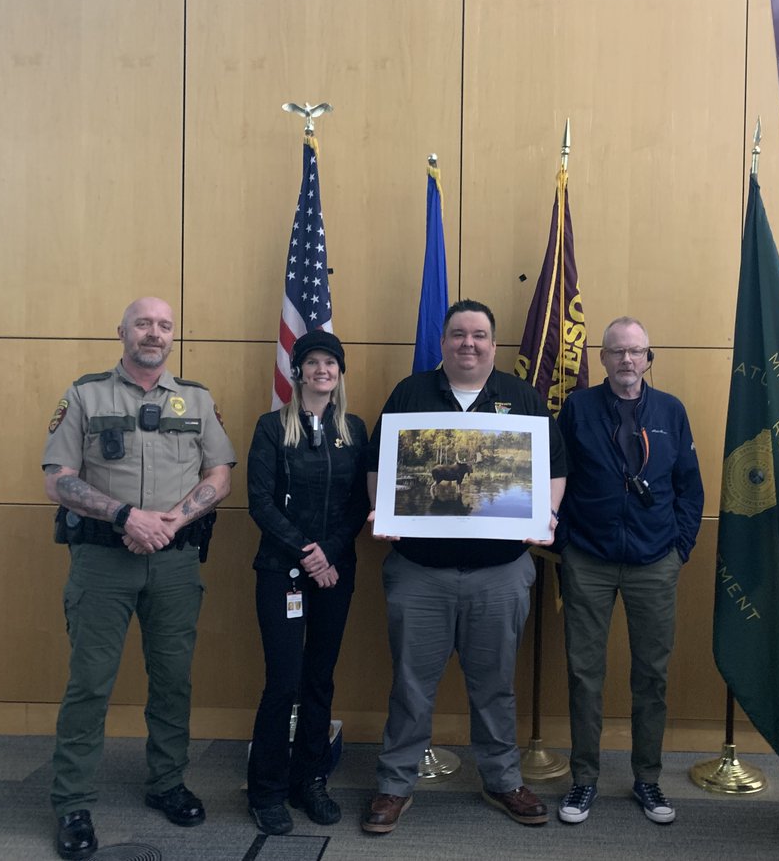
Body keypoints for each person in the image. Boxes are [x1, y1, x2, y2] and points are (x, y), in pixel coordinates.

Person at [360, 298, 567, 834]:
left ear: (493, 345)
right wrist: (384, 509)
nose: (468, 344)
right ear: (444, 342)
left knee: (496, 684)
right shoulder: (410, 393)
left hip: (500, 573)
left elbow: (555, 468)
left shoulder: (521, 397)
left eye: (478, 335)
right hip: (419, 573)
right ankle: (394, 784)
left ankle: (502, 780)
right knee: (410, 683)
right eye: (458, 334)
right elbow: (378, 464)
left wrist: (544, 514)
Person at [43, 297, 235, 861]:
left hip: (174, 561)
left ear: (173, 336)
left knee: (173, 679)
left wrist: (171, 520)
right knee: (90, 683)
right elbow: (59, 479)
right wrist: (127, 517)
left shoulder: (195, 398)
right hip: (103, 562)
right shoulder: (84, 394)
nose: (154, 332)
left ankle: (167, 782)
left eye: (164, 325)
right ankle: (72, 801)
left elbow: (219, 474)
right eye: (144, 323)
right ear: (122, 331)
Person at [553, 317, 704, 826]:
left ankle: (647, 778)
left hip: (653, 562)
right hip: (588, 561)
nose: (626, 361)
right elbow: (557, 477)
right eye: (617, 352)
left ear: (648, 357)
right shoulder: (576, 408)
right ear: (602, 358)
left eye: (636, 352)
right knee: (583, 674)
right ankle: (583, 780)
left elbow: (690, 487)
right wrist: (567, 543)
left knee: (652, 676)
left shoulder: (670, 411)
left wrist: (678, 548)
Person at [244, 330, 369, 835]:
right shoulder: (272, 427)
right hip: (283, 573)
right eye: (312, 362)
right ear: (297, 371)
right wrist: (307, 555)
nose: (322, 370)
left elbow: (360, 502)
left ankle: (310, 780)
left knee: (320, 678)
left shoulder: (355, 429)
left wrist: (330, 553)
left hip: (336, 570)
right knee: (284, 682)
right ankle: (267, 790)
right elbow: (260, 501)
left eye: (330, 363)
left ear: (339, 373)